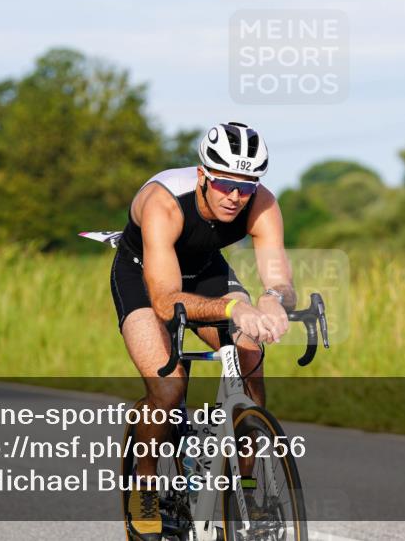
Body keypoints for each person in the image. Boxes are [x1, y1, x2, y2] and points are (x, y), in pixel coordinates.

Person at [110, 121, 296, 540]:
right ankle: (145, 486)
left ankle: (245, 489)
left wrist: (272, 299)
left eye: (245, 187)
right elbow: (165, 302)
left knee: (250, 354)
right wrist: (234, 307)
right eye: (225, 184)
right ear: (202, 175)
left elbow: (280, 279)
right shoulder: (164, 203)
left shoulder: (262, 203)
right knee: (168, 389)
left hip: (206, 271)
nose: (235, 197)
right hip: (144, 278)